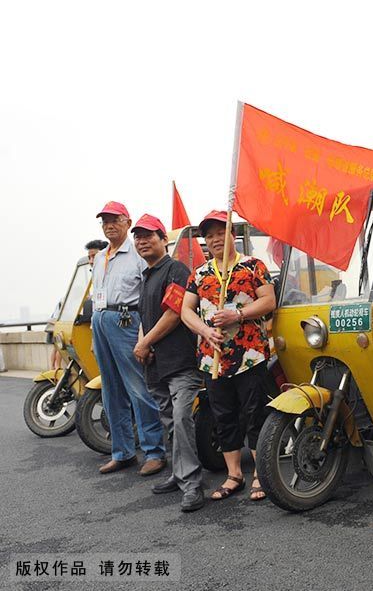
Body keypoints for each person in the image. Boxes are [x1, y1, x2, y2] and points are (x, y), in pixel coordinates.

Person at [181, 211, 276, 502]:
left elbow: (269, 301)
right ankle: (234, 474)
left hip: (250, 355)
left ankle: (262, 473)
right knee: (223, 417)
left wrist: (239, 313)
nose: (214, 239)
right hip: (213, 359)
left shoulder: (252, 266)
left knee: (255, 414)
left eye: (220, 232)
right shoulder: (200, 273)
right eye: (209, 236)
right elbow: (186, 310)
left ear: (232, 234)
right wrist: (205, 331)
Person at [131, 214, 206, 512]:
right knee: (169, 422)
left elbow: (174, 313)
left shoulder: (176, 269)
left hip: (179, 362)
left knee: (182, 419)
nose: (142, 241)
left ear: (164, 240)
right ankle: (179, 474)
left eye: (149, 235)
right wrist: (142, 344)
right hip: (155, 364)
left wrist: (145, 342)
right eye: (137, 237)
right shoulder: (146, 275)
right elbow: (144, 317)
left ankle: (192, 485)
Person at [90, 201, 166, 475]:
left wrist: (145, 338)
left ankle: (154, 452)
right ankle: (121, 452)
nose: (109, 224)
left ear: (126, 222)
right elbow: (97, 294)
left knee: (138, 388)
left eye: (114, 219)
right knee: (110, 390)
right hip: (101, 321)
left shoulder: (136, 255)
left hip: (127, 321)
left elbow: (147, 298)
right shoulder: (99, 258)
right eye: (105, 221)